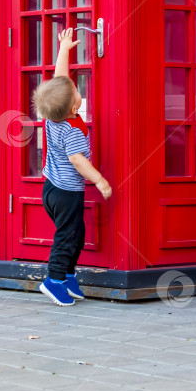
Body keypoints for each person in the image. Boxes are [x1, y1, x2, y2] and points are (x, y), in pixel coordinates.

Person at [32, 28, 112, 306]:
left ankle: (67, 276)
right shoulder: (73, 130)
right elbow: (78, 160)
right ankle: (53, 281)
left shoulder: (51, 115)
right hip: (67, 193)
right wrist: (100, 181)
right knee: (67, 237)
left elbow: (60, 80)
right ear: (75, 108)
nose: (76, 90)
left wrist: (64, 48)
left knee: (76, 234)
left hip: (51, 189)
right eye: (76, 93)